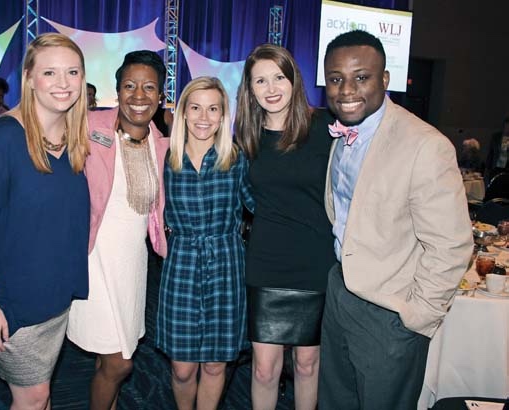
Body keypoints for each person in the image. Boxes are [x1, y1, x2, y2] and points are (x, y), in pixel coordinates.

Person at [317, 30, 473, 409]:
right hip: (340, 293)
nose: (346, 90)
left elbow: (451, 245)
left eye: (361, 77)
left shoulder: (425, 145)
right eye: (336, 79)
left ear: (385, 80)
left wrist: (415, 317)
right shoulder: (341, 134)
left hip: (390, 313)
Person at [0, 33, 90, 409]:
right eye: (50, 72)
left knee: (39, 396)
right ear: (29, 78)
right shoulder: (1, 141)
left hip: (54, 296)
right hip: (13, 301)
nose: (63, 83)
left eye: (72, 72)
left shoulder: (74, 138)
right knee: (33, 397)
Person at [66, 50, 169, 410]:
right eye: (129, 86)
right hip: (94, 259)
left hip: (132, 265)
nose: (138, 95)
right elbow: (38, 134)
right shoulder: (90, 126)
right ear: (118, 90)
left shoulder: (161, 144)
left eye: (148, 87)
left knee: (109, 354)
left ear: (160, 95)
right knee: (119, 363)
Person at [234, 44, 335, 410]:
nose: (271, 88)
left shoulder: (324, 127)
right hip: (267, 260)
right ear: (250, 89)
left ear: (294, 80)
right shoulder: (247, 137)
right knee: (264, 369)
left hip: (316, 260)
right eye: (260, 80)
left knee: (307, 363)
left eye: (279, 77)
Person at [155, 76, 255, 410]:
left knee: (215, 365)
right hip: (181, 263)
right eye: (196, 108)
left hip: (226, 264)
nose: (204, 117)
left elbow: (262, 204)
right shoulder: (165, 158)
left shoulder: (236, 159)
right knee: (182, 369)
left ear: (223, 115)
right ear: (183, 112)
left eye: (213, 109)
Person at [484, 115, 509, 183]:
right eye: (507, 126)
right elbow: (491, 153)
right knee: (494, 184)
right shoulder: (496, 137)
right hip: (496, 167)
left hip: (507, 168)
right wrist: (487, 168)